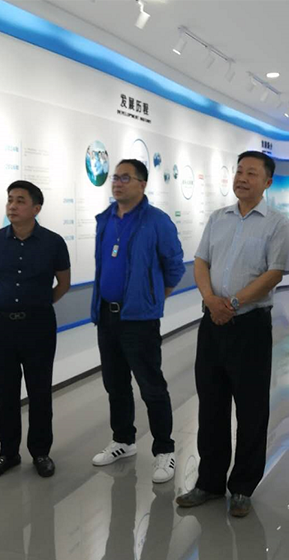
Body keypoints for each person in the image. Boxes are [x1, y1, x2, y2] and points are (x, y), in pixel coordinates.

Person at [175, 151, 289, 518]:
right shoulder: (218, 218)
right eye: (239, 171)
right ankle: (209, 482)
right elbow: (201, 262)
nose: (242, 178)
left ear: (267, 182)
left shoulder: (277, 224)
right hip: (212, 323)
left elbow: (275, 272)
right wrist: (211, 300)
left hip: (250, 326)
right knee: (211, 405)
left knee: (251, 408)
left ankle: (242, 487)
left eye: (252, 173)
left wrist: (235, 302)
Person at [90, 159, 185, 484]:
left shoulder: (157, 221)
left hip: (139, 319)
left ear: (142, 184)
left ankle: (164, 450)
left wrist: (152, 298)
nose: (117, 183)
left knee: (151, 386)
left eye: (125, 178)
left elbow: (174, 267)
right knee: (115, 384)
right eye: (115, 177)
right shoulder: (105, 220)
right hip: (107, 314)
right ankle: (123, 440)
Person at [0, 180, 71, 480]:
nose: (12, 206)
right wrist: (4, 303)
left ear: (36, 208)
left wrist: (38, 304)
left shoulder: (53, 242)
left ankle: (40, 452)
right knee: (5, 393)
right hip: (1, 326)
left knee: (40, 391)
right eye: (10, 200)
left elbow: (63, 283)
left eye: (20, 200)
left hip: (38, 326)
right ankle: (8, 453)